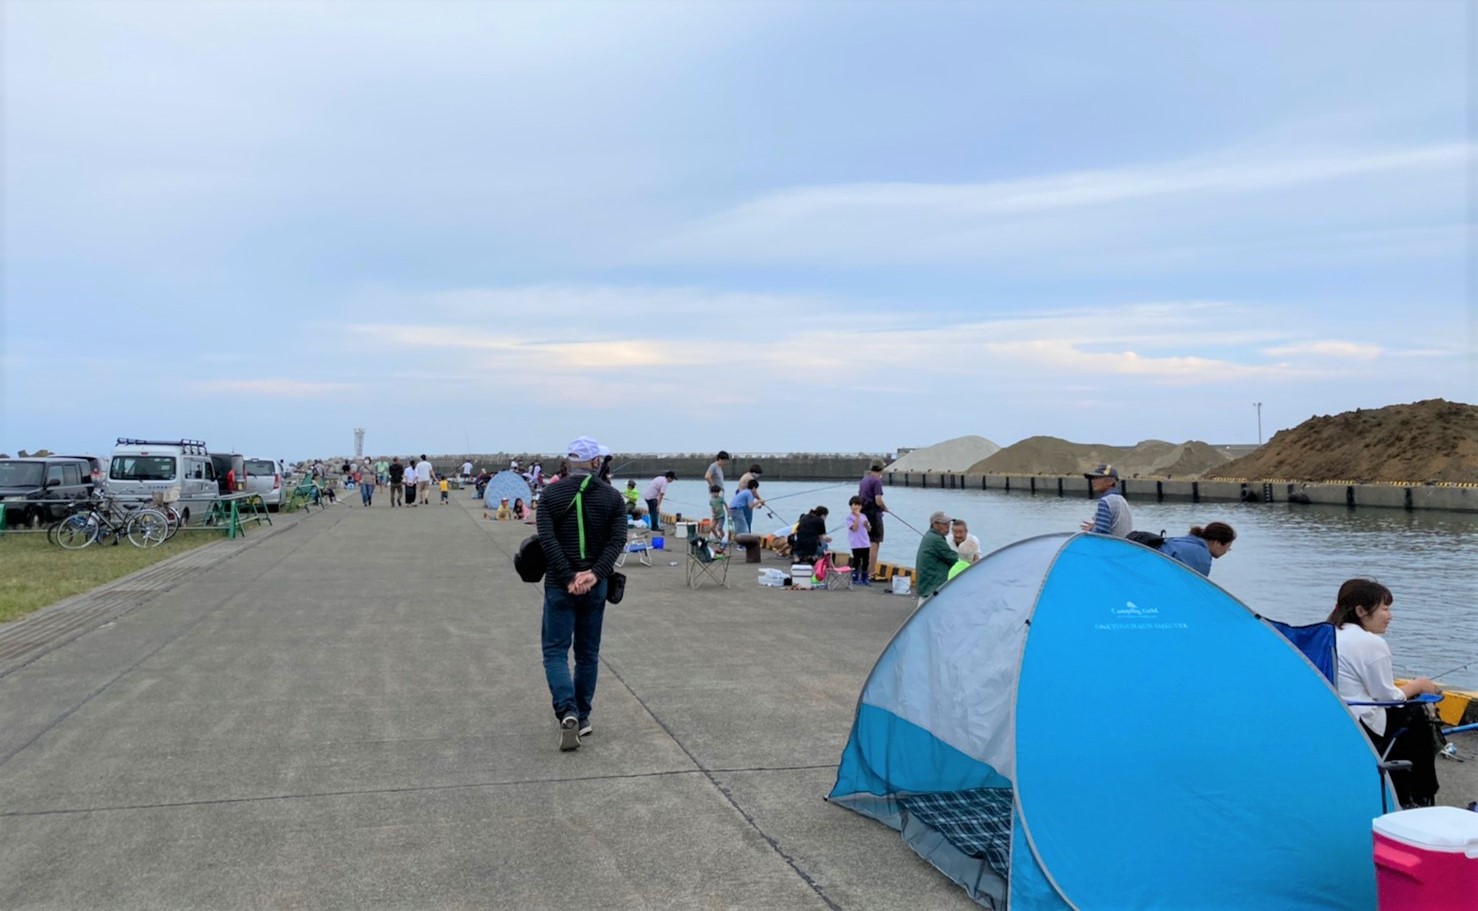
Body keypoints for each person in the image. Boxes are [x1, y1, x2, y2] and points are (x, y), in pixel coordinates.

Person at [537, 436, 626, 752]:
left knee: (555, 651)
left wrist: (568, 576)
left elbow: (547, 540)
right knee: (587, 654)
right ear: (594, 463)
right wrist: (593, 574)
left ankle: (567, 711)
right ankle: (583, 717)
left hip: (559, 587)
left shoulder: (549, 494)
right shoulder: (613, 498)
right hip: (595, 587)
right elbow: (617, 542)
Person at [1328, 578, 1442, 808]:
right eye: (1385, 608)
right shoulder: (1370, 643)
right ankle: (1419, 795)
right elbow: (1388, 697)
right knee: (1418, 716)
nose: (1390, 615)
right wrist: (1418, 685)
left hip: (1334, 716)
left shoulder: (1328, 633)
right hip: (1361, 724)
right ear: (1361, 610)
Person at [1159, 522, 1236, 576]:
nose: (1226, 552)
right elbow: (1194, 588)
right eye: (1227, 547)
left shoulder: (1180, 541)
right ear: (1217, 543)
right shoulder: (1201, 557)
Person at [915, 511, 958, 606]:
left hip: (926, 585)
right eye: (945, 524)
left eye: (949, 524)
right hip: (932, 586)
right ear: (935, 524)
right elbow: (954, 559)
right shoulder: (936, 539)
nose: (948, 527)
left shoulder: (930, 536)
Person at [1080, 464, 1131, 537]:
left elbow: (1102, 533)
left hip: (1109, 546)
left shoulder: (1106, 501)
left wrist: (1091, 529)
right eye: (1093, 478)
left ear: (1110, 481)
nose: (1093, 481)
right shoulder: (1122, 500)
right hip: (1122, 545)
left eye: (1097, 478)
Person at [859, 461, 888, 582]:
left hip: (863, 514)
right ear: (881, 469)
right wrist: (884, 507)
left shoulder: (864, 480)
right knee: (874, 544)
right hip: (873, 515)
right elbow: (878, 500)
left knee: (865, 543)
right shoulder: (876, 481)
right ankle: (872, 573)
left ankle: (864, 571)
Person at [846, 496, 872, 585]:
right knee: (856, 561)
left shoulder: (864, 516)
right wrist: (857, 517)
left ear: (861, 506)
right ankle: (855, 578)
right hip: (856, 543)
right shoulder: (849, 517)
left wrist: (867, 525)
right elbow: (854, 528)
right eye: (853, 505)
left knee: (866, 561)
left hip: (865, 542)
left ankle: (865, 578)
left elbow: (869, 530)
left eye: (858, 505)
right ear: (850, 506)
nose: (856, 507)